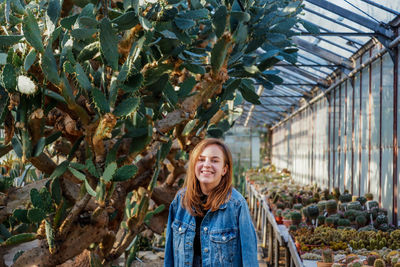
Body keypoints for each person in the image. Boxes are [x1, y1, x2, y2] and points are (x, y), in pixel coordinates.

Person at [164, 138, 258, 267]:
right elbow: (170, 254)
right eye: (201, 159)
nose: (207, 165)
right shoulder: (180, 200)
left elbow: (249, 257)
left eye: (214, 160)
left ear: (224, 169)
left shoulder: (237, 205)